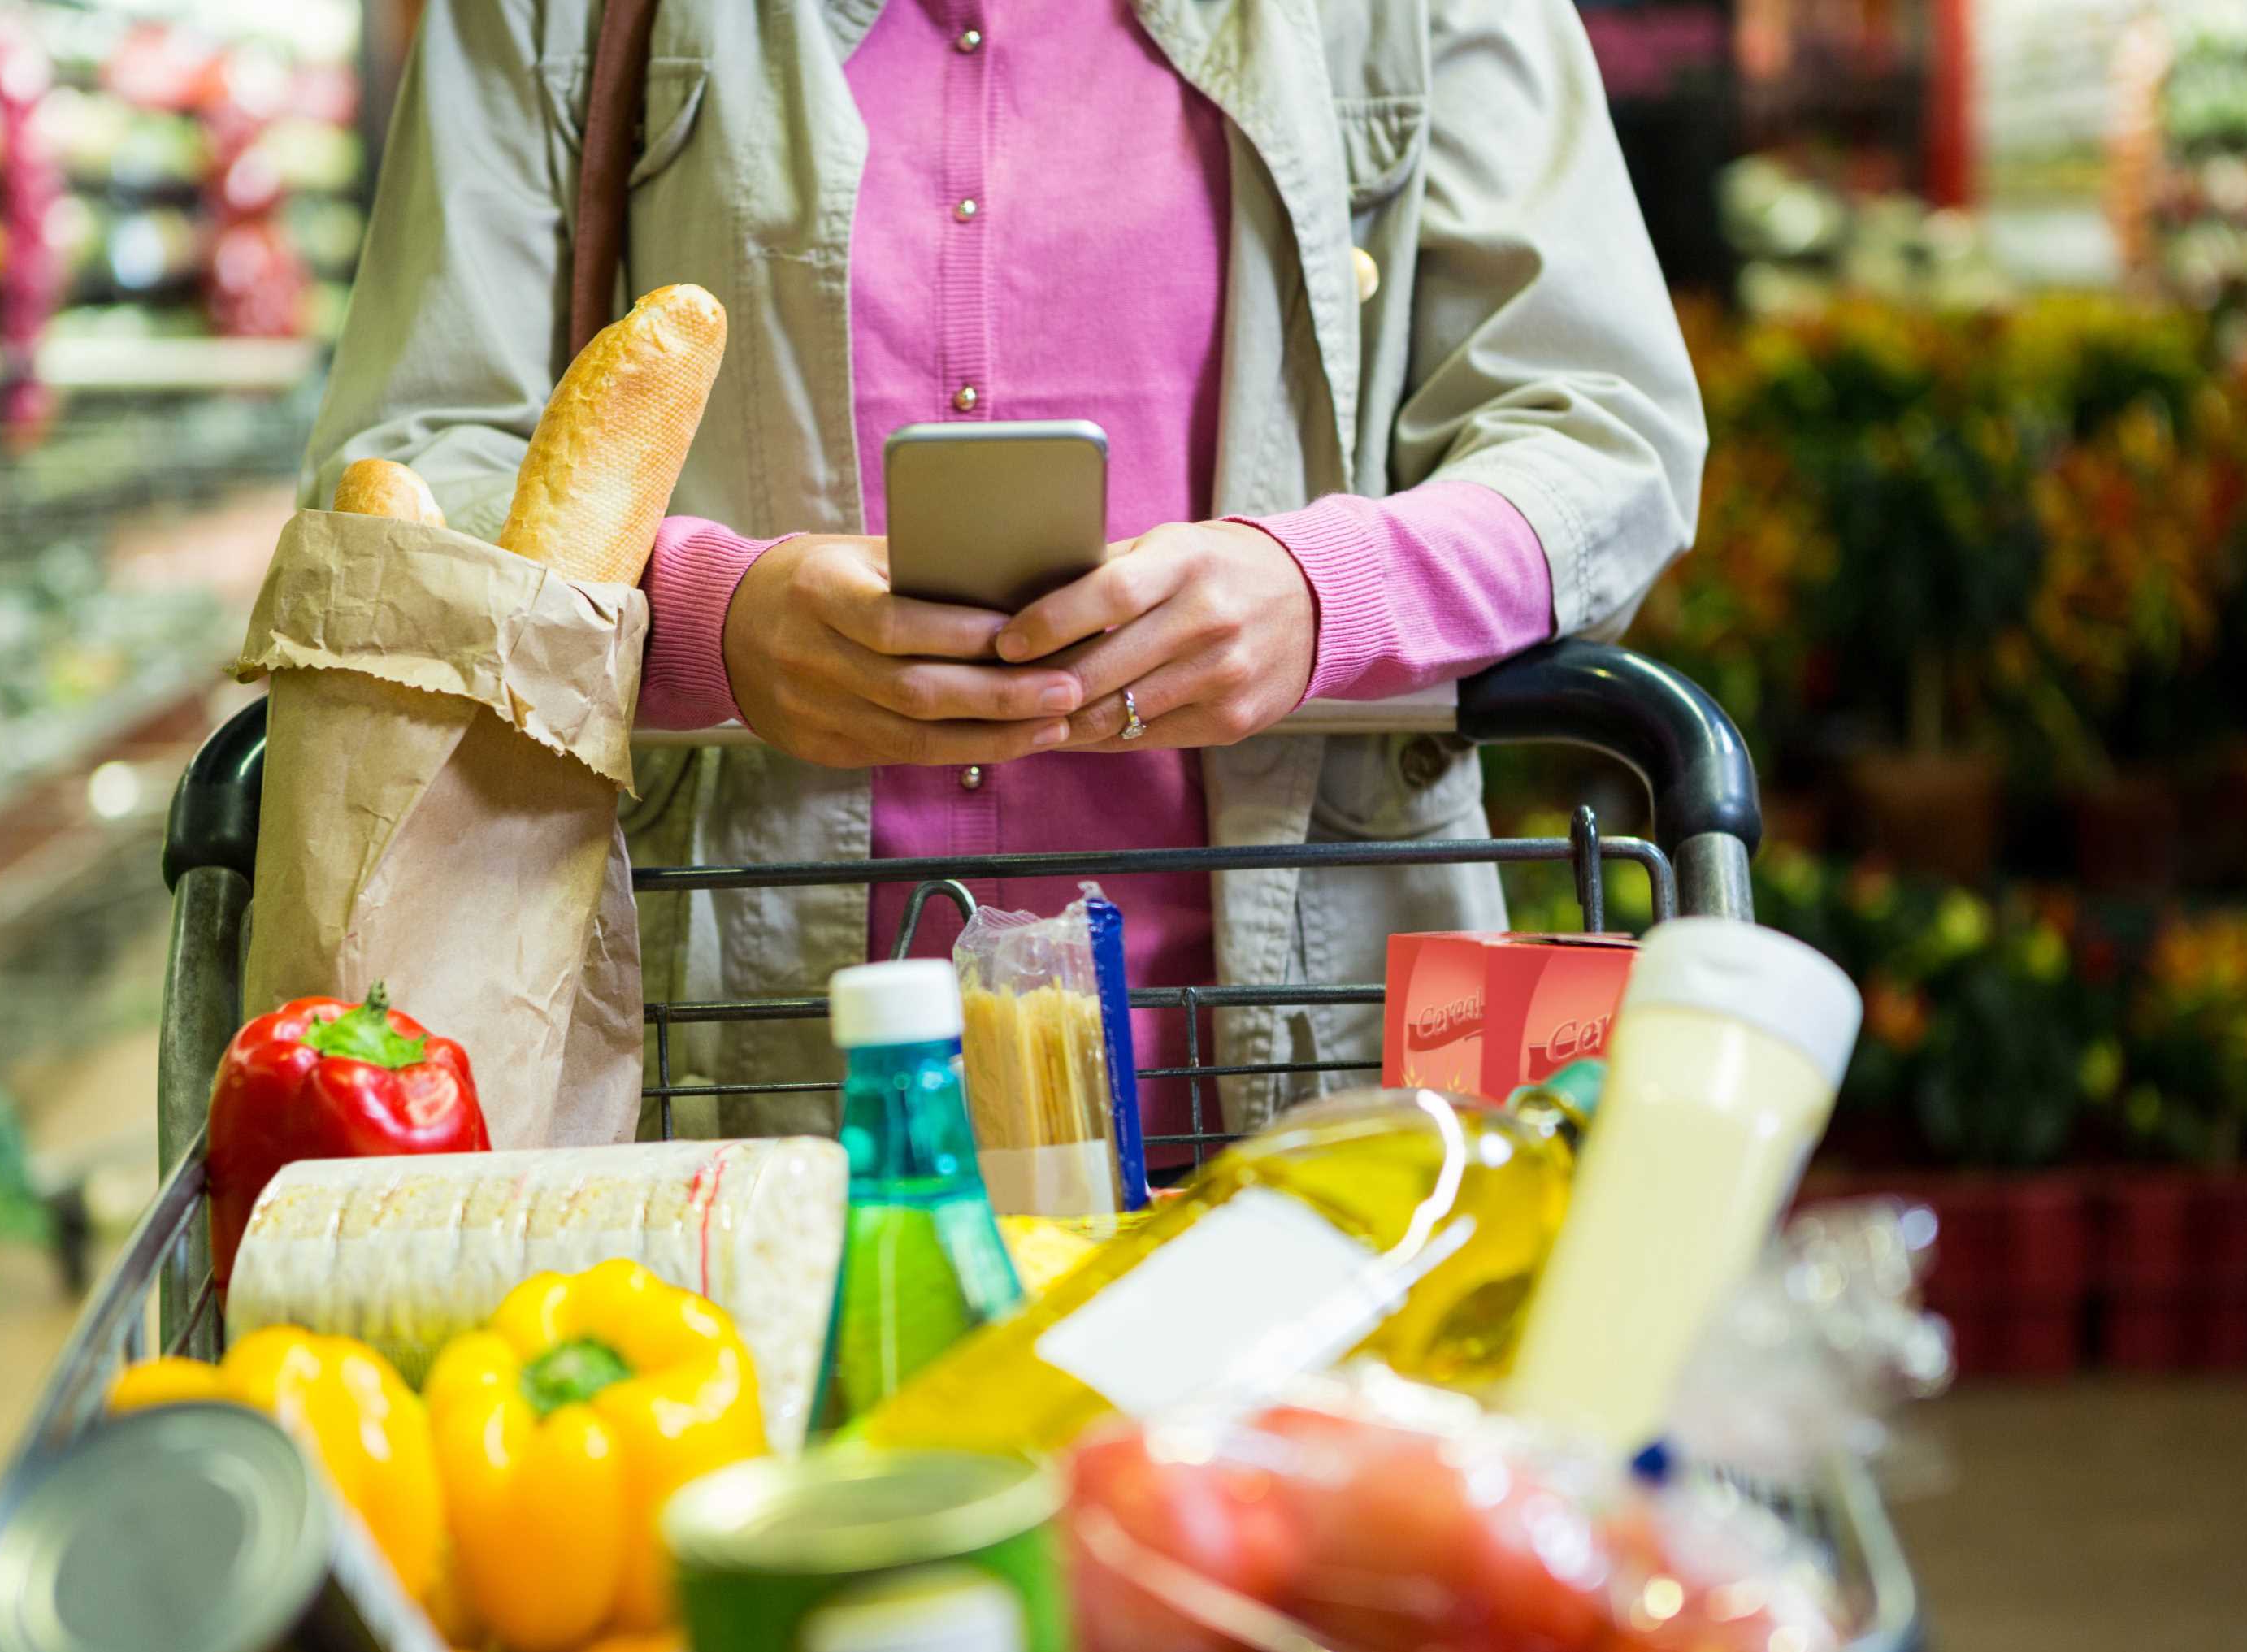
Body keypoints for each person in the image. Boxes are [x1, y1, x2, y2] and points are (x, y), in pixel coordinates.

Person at [303, 0, 1706, 1148]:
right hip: (731, 1060)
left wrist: (1327, 592)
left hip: (1308, 1054)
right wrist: (700, 620)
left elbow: (1607, 433)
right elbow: (409, 467)